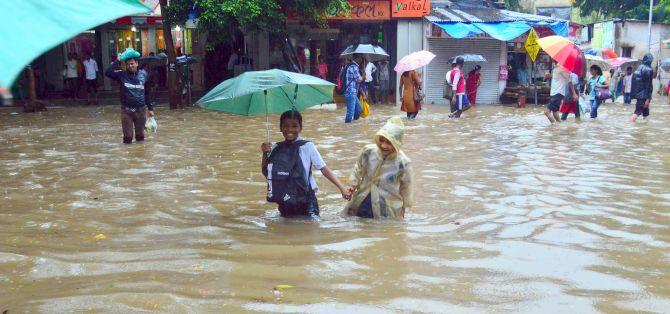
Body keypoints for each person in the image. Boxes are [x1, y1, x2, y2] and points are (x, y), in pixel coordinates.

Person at [261, 110, 351, 219]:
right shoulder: (276, 147)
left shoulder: (308, 146)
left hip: (307, 199)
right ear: (280, 128)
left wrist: (342, 188)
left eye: (294, 126)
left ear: (300, 128)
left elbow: (324, 169)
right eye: (286, 126)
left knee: (312, 226)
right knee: (287, 229)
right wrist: (265, 154)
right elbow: (267, 172)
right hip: (285, 199)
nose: (290, 129)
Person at [344, 117, 413, 219]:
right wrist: (351, 187)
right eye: (381, 140)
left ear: (397, 143)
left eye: (389, 143)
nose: (383, 145)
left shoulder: (403, 163)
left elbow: (406, 187)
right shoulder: (368, 152)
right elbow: (358, 170)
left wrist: (404, 209)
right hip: (363, 199)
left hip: (387, 206)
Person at [105, 48, 155, 144]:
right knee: (128, 138)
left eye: (132, 64)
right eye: (128, 64)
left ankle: (140, 155)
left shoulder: (144, 75)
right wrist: (118, 61)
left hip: (141, 110)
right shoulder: (121, 75)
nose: (130, 66)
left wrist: (150, 108)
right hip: (127, 111)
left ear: (137, 63)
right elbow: (108, 72)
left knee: (140, 137)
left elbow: (147, 93)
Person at [630, 53, 654, 122]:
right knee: (637, 112)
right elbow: (648, 85)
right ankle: (630, 127)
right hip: (644, 96)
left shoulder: (638, 68)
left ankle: (646, 128)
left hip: (639, 95)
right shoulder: (649, 70)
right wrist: (648, 99)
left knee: (646, 113)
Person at [344, 54, 364, 123]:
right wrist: (363, 76)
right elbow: (358, 80)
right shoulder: (354, 67)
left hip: (352, 92)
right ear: (357, 58)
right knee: (350, 112)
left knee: (359, 108)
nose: (361, 60)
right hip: (351, 92)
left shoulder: (351, 66)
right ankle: (347, 127)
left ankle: (354, 124)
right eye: (361, 58)